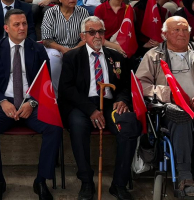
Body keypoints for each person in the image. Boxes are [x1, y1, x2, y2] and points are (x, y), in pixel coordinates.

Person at [136, 16, 194, 197]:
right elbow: (141, 85)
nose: (182, 33)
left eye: (185, 29)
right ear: (164, 34)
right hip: (171, 110)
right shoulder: (154, 56)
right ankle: (185, 178)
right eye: (176, 30)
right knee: (181, 118)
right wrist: (166, 94)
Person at [0, 8, 61, 200]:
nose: (22, 27)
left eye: (24, 23)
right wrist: (2, 102)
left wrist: (31, 103)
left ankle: (41, 180)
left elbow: (45, 82)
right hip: (3, 102)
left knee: (54, 127)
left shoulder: (38, 49)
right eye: (17, 24)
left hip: (30, 102)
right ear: (6, 28)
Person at [59, 15, 139, 200]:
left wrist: (122, 100)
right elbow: (67, 89)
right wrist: (91, 110)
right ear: (82, 36)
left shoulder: (116, 57)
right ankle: (86, 182)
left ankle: (119, 184)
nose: (97, 36)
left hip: (110, 104)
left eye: (100, 32)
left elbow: (126, 85)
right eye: (92, 32)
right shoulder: (72, 57)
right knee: (78, 127)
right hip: (81, 105)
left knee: (128, 126)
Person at [41, 0, 90, 88]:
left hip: (77, 47)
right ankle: (56, 95)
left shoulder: (83, 12)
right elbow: (46, 39)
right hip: (56, 48)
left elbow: (86, 37)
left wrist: (74, 49)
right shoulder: (51, 13)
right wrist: (63, 49)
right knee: (54, 58)